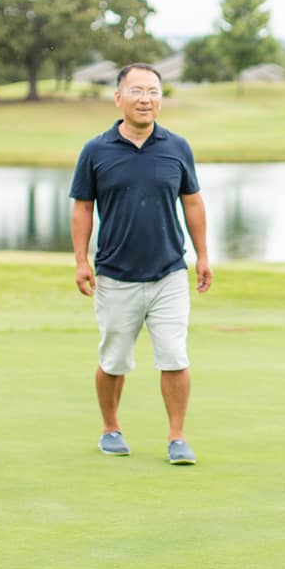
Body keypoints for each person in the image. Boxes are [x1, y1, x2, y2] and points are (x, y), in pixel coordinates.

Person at [70, 62, 212, 464]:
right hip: (115, 274)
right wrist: (81, 261)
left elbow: (193, 203)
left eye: (152, 91)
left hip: (169, 271)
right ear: (118, 98)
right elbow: (82, 207)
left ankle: (177, 437)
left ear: (161, 99)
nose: (145, 99)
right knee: (114, 358)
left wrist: (202, 256)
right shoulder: (96, 150)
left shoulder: (177, 147)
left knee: (174, 355)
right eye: (136, 91)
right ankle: (110, 428)